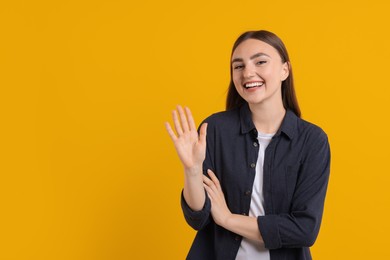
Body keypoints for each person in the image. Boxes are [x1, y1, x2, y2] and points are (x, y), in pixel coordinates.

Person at [165, 30, 331, 260]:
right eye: (238, 66)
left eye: (260, 62)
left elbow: (304, 229)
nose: (248, 73)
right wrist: (192, 170)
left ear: (285, 70)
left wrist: (227, 219)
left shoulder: (312, 141)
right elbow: (198, 218)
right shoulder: (213, 130)